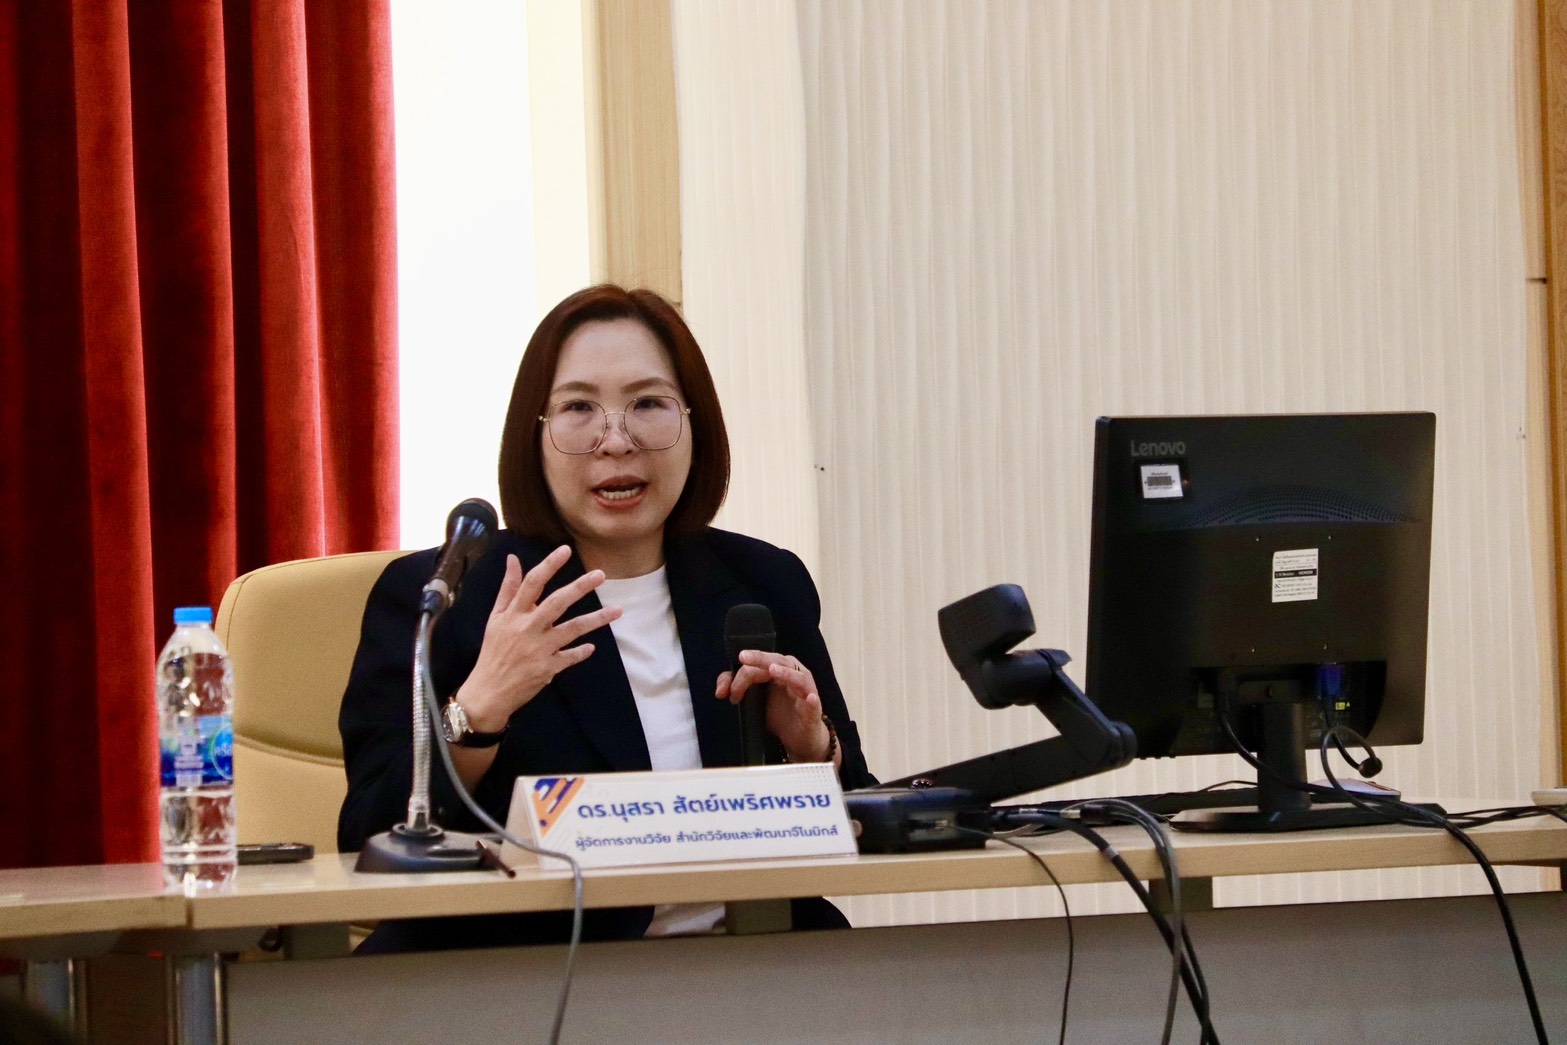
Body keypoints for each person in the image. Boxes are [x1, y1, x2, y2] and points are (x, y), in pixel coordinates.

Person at [338, 284, 875, 952]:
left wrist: (812, 748)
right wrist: (478, 709)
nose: (615, 440)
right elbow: (365, 836)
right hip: (524, 976)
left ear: (693, 423)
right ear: (534, 434)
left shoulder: (763, 582)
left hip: (751, 965)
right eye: (578, 408)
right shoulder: (449, 596)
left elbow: (868, 816)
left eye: (647, 404)